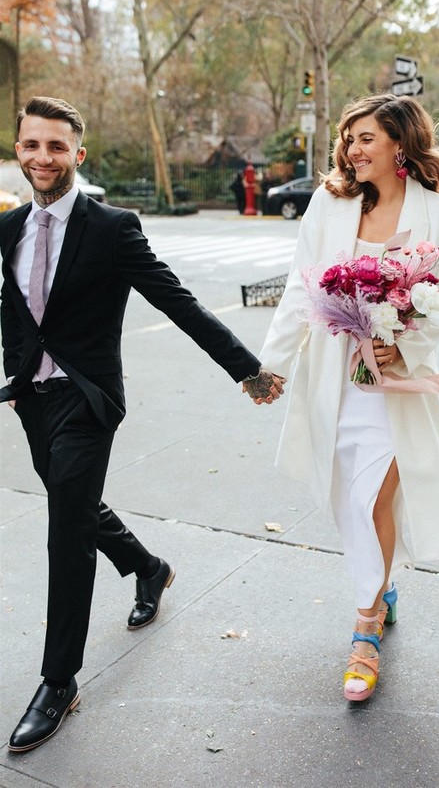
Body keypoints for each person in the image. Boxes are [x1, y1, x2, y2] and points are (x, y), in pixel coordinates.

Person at [0, 96, 284, 752]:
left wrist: (245, 368)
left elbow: (176, 300)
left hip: (89, 399)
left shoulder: (111, 227)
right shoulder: (11, 227)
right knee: (74, 503)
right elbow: (14, 307)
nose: (43, 156)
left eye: (56, 145)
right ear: (20, 150)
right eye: (31, 144)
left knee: (65, 528)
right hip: (35, 400)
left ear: (80, 153)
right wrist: (16, 375)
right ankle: (147, 566)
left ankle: (58, 680)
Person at [257, 94, 439, 702]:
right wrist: (269, 368)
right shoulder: (330, 205)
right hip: (334, 380)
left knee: (374, 497)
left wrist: (404, 347)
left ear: (399, 144)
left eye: (365, 137)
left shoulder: (438, 215)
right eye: (347, 138)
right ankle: (382, 581)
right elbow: (303, 290)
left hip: (394, 386)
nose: (351, 149)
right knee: (350, 497)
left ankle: (365, 627)